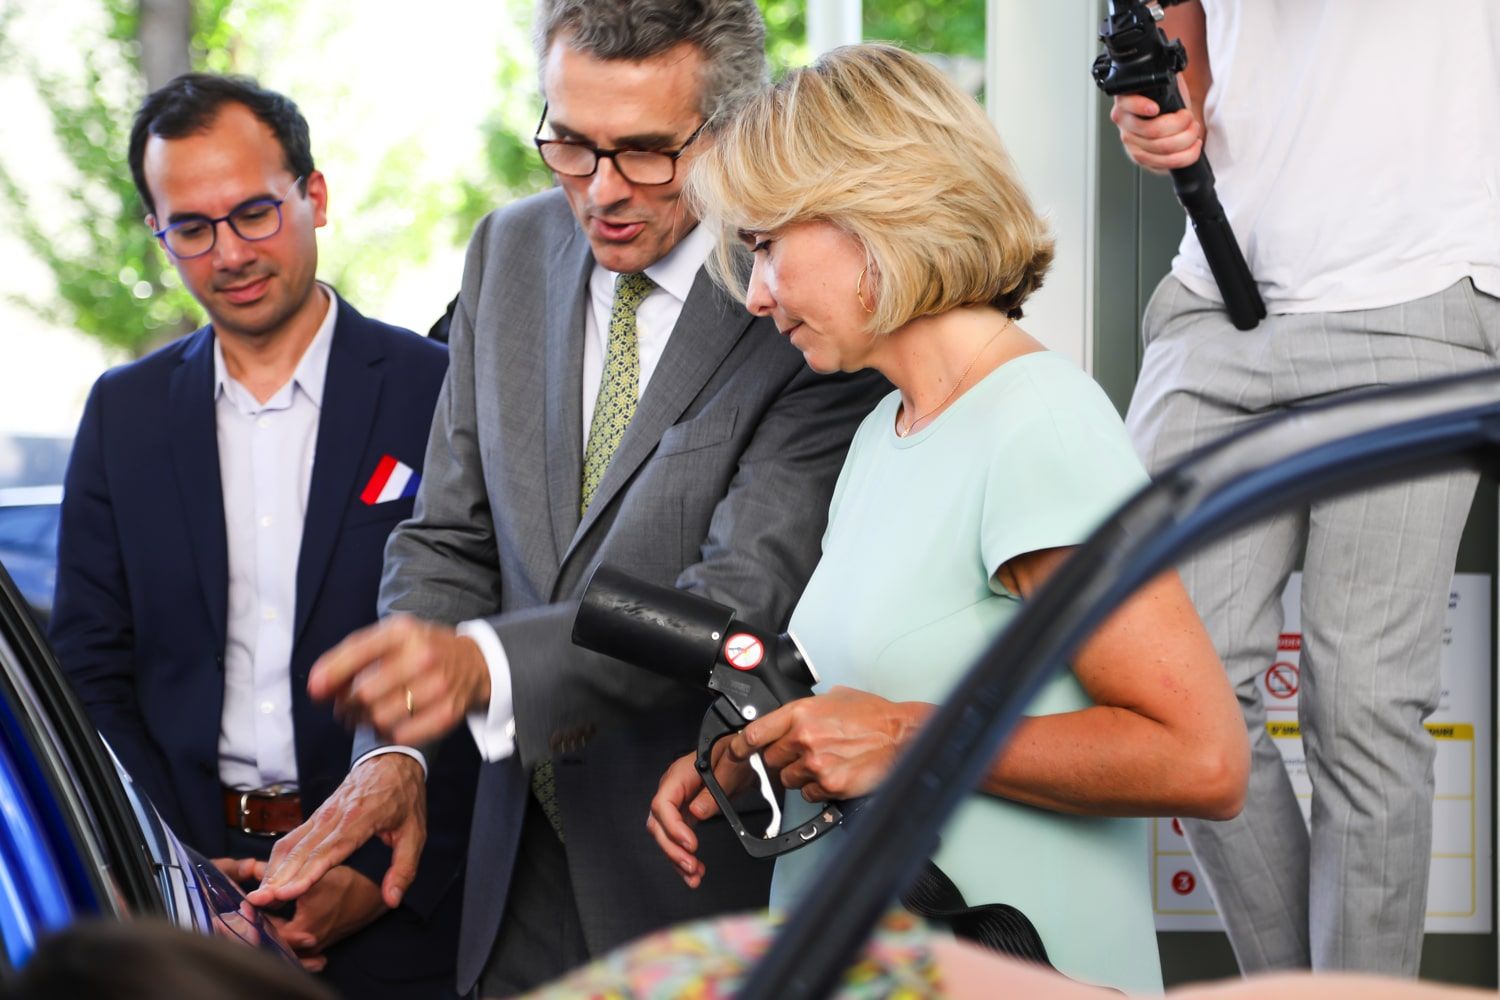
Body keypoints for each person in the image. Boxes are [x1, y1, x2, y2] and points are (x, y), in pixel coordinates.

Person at [248, 2, 887, 996]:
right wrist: (399, 754)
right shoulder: (505, 253)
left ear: (730, 130)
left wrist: (483, 662)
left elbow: (729, 600)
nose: (602, 191)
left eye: (644, 153)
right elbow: (447, 541)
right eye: (570, 144)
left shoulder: (806, 300)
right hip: (505, 887)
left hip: (692, 887)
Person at [642, 44, 1248, 994]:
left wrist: (903, 737)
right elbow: (873, 711)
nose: (755, 295)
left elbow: (1202, 757)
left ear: (877, 213)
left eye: (765, 245)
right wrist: (758, 756)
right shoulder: (885, 429)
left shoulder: (1036, 418)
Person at [49, 73, 475, 998]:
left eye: (253, 213)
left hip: (403, 903)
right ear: (158, 234)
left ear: (313, 196)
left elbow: (486, 646)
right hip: (188, 898)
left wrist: (381, 876)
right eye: (190, 228)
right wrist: (178, 872)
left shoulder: (438, 388)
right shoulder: (123, 415)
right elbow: (89, 669)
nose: (229, 252)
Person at [1109, 1, 1500, 976]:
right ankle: (1295, 992)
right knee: (1167, 681)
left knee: (1363, 702)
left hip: (1419, 297)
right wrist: (1171, 103)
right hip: (1220, 290)